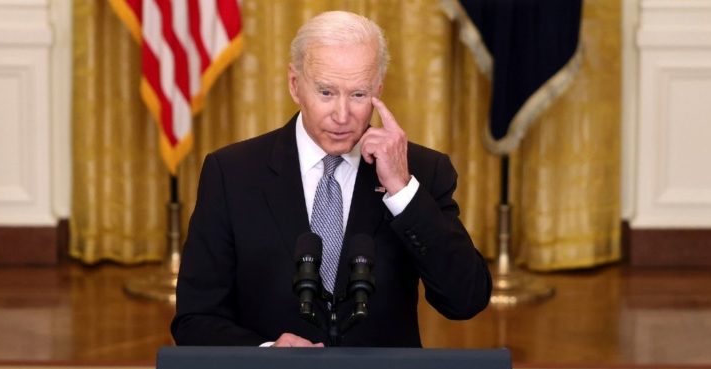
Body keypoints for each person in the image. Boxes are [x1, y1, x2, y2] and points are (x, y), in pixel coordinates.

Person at [171, 10, 491, 347]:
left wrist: (403, 191)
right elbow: (195, 320)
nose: (342, 116)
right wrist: (265, 354)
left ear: (378, 90)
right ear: (295, 85)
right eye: (326, 93)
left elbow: (466, 300)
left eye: (358, 95)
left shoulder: (422, 171)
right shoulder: (232, 173)